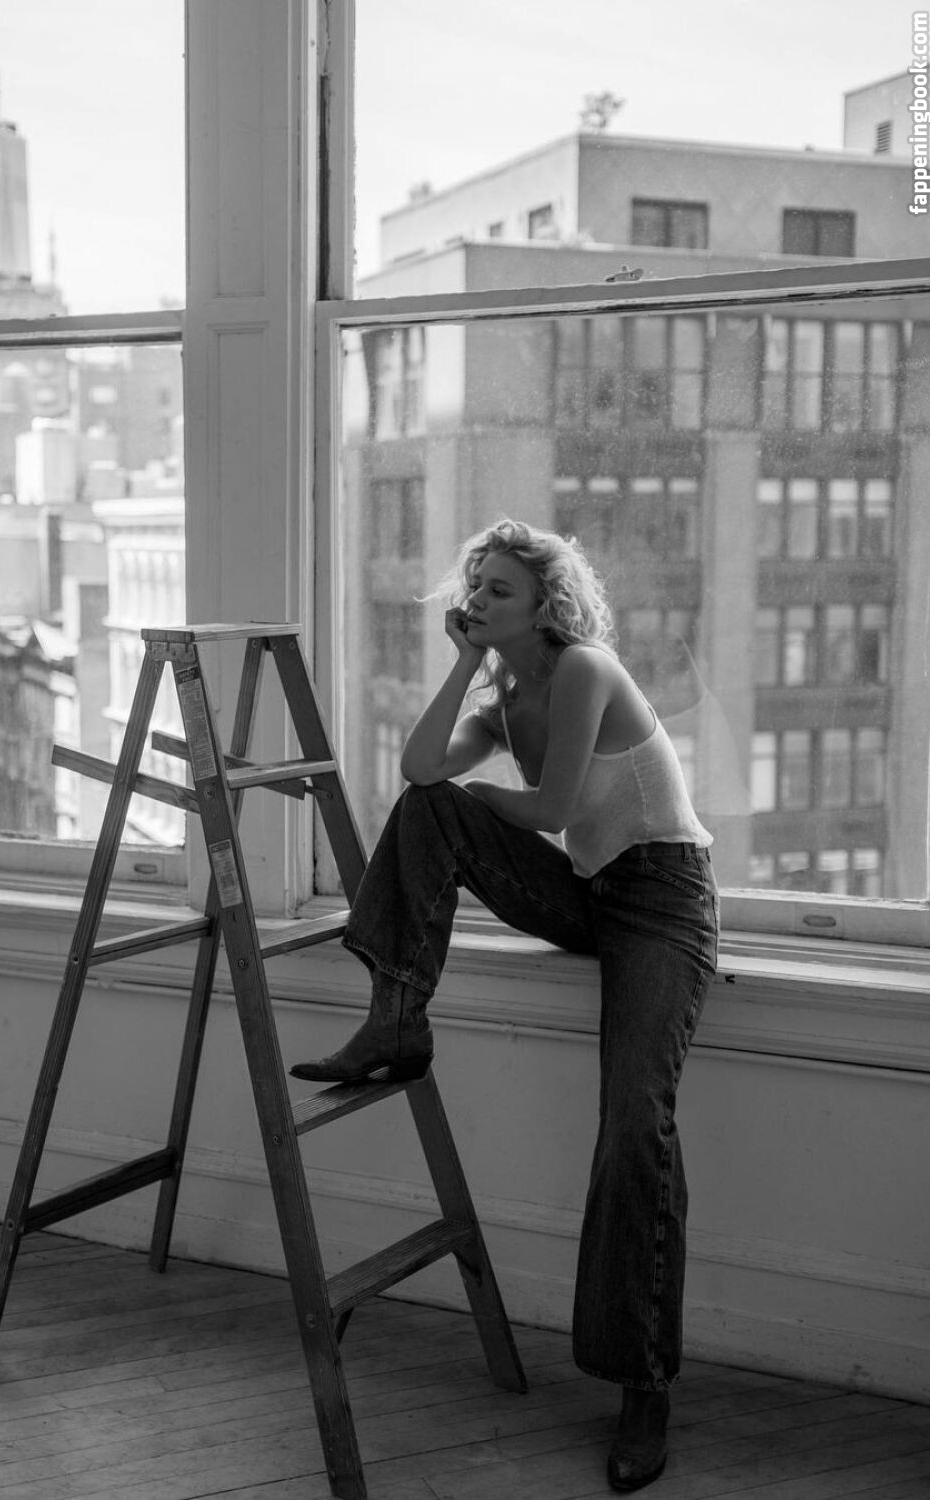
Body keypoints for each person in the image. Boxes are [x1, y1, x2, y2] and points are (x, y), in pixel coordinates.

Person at [291, 519, 719, 1493]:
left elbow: (557, 809)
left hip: (664, 899)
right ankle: (396, 1017)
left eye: (500, 592)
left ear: (546, 606)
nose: (479, 600)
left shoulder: (585, 670)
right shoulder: (505, 696)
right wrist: (463, 667)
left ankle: (644, 1386)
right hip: (592, 893)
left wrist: (475, 799)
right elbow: (420, 770)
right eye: (475, 586)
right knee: (430, 803)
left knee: (636, 1122)